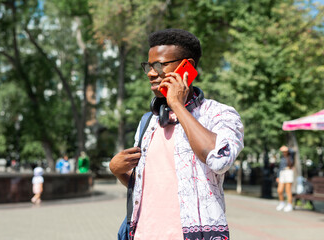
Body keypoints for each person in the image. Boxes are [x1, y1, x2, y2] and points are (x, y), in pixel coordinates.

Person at [109, 29, 244, 240]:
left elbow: (220, 160)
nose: (150, 73)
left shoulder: (219, 114)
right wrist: (118, 171)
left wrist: (177, 106)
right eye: (148, 65)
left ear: (187, 66)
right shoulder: (148, 121)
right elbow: (151, 186)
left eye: (159, 65)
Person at [276, 145, 295, 212]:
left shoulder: (290, 156)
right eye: (283, 151)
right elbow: (279, 167)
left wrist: (287, 148)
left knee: (288, 190)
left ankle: (289, 204)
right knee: (279, 190)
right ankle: (282, 203)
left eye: (285, 151)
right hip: (282, 173)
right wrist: (277, 176)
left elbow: (293, 151)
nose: (284, 152)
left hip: (288, 172)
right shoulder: (282, 158)